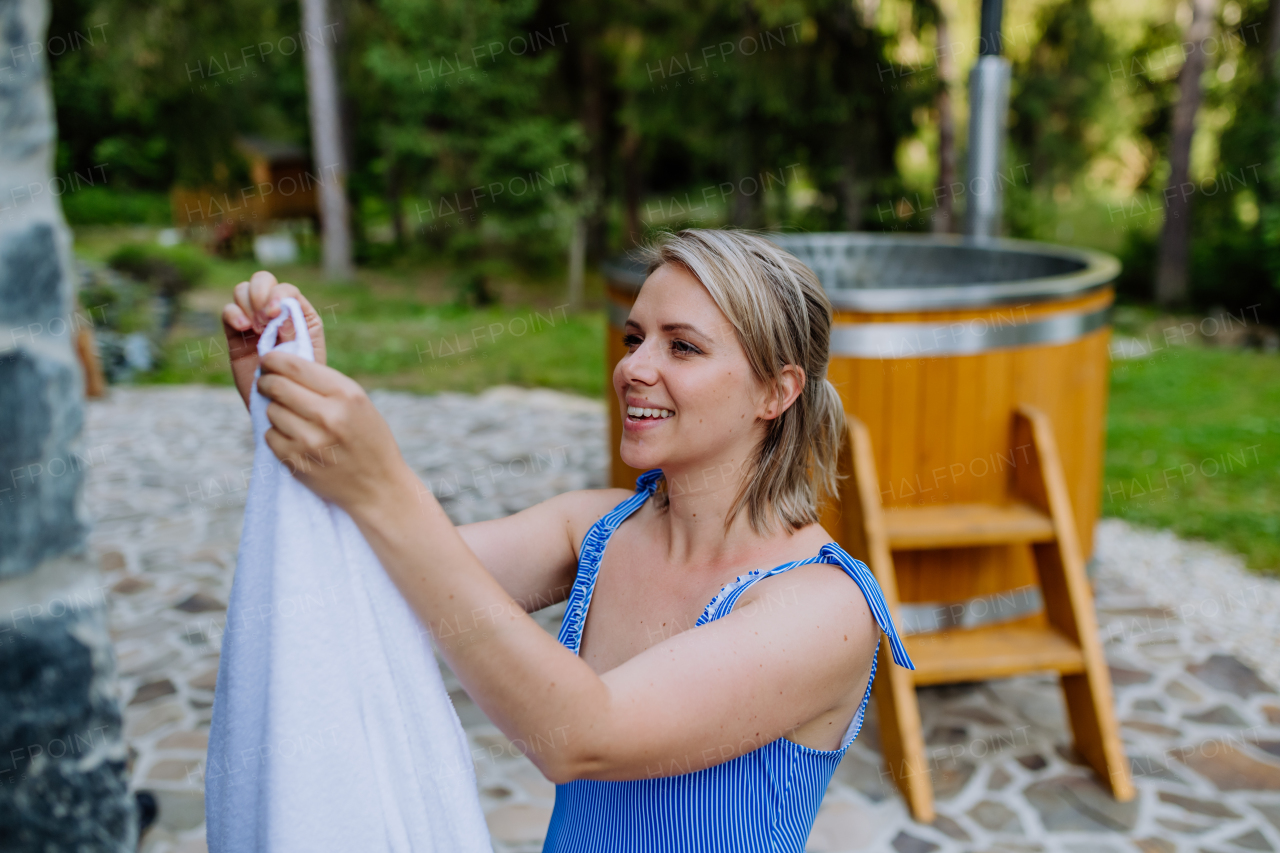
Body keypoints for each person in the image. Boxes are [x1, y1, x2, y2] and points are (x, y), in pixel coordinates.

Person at [220, 228, 913, 852]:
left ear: (777, 390)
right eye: (635, 338)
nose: (635, 367)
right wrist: (287, 399)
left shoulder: (826, 608)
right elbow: (375, 571)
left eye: (683, 345)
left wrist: (385, 482)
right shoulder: (596, 529)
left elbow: (582, 734)